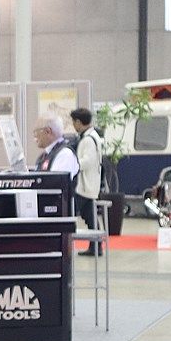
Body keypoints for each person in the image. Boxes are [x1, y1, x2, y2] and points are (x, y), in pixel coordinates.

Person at [71, 107, 104, 256]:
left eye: (74, 122)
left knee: (79, 214)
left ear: (79, 122)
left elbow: (88, 161)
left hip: (84, 185)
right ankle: (96, 246)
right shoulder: (91, 136)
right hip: (88, 184)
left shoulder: (88, 139)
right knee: (90, 217)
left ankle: (95, 246)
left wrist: (74, 164)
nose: (73, 125)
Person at [32, 115, 80, 181]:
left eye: (36, 131)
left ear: (48, 131)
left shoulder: (64, 154)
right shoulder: (45, 155)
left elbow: (56, 183)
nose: (35, 136)